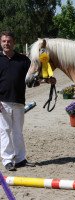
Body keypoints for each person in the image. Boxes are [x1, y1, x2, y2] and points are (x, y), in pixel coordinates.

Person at [0, 31, 35, 171]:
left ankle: (20, 159)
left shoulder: (23, 60)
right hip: (3, 102)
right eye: (4, 41)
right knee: (5, 131)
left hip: (19, 101)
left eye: (9, 41)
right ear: (1, 43)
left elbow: (32, 80)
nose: (6, 43)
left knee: (18, 131)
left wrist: (47, 80)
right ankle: (7, 160)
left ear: (14, 42)